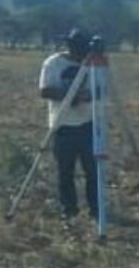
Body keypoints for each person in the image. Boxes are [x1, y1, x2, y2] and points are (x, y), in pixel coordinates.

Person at [39, 28, 98, 222]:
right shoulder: (53, 63)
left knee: (93, 170)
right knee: (65, 171)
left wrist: (89, 95)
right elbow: (45, 91)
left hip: (88, 124)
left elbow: (100, 90)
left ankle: (96, 209)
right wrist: (70, 95)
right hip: (62, 125)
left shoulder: (93, 64)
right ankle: (69, 209)